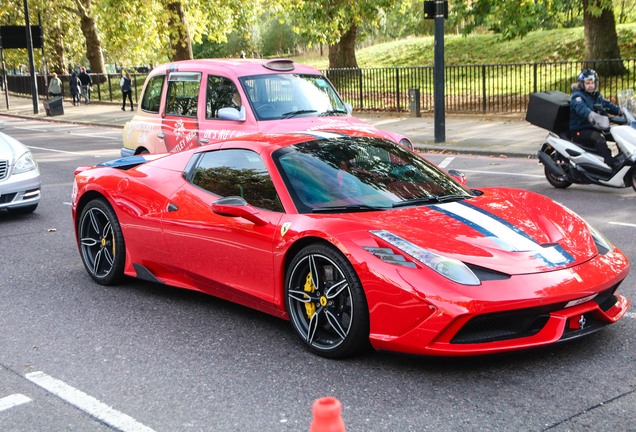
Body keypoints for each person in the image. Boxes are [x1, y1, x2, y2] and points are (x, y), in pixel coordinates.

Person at [569, 69, 621, 168]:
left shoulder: (596, 96)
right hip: (580, 130)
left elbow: (608, 105)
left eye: (592, 83)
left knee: (618, 135)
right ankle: (609, 164)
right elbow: (582, 110)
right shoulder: (577, 97)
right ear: (582, 84)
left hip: (595, 126)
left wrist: (621, 111)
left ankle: (624, 159)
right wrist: (591, 115)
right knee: (598, 137)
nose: (590, 85)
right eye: (587, 83)